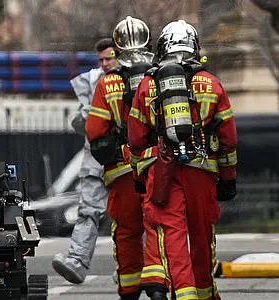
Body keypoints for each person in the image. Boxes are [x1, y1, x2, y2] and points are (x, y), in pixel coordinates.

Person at [128, 20, 237, 300]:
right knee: (201, 237)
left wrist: (141, 178)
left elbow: (137, 139)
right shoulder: (212, 85)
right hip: (202, 172)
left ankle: (185, 295)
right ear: (194, 46)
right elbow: (228, 139)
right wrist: (228, 180)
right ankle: (205, 293)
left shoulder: (147, 85)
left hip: (163, 171)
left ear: (163, 47)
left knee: (173, 237)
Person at [85, 16, 157, 300]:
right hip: (157, 167)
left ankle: (129, 290)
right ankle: (160, 285)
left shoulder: (108, 83)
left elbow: (95, 131)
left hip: (123, 171)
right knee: (159, 228)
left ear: (116, 47)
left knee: (127, 232)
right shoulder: (158, 76)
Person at [51, 38, 116, 284]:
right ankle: (77, 261)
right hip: (96, 157)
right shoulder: (92, 82)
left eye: (109, 57)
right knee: (88, 210)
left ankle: (134, 269)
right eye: (101, 59)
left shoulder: (129, 78)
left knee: (131, 216)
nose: (105, 63)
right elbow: (82, 123)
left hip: (124, 158)